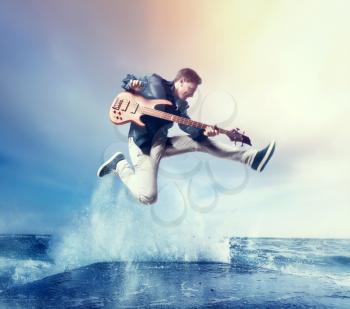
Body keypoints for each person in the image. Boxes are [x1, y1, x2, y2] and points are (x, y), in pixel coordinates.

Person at [97, 68, 275, 205]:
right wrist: (132, 84)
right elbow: (127, 80)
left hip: (160, 143)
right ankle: (120, 165)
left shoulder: (180, 106)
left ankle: (251, 158)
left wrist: (204, 132)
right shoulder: (153, 81)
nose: (192, 94)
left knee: (202, 143)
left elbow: (188, 127)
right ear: (181, 81)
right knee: (148, 197)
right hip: (141, 145)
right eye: (191, 89)